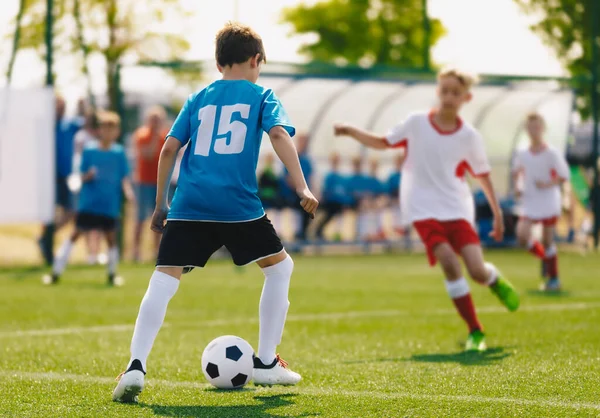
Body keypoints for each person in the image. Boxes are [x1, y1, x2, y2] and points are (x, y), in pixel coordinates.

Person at [112, 22, 318, 403]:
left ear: (219, 61)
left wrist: (161, 204)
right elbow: (277, 135)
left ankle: (135, 366)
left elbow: (169, 149)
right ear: (256, 60)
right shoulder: (262, 95)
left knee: (164, 278)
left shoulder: (199, 98)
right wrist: (302, 185)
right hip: (237, 205)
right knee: (279, 268)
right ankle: (268, 363)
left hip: (190, 203)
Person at [334, 67, 520, 352]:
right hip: (422, 209)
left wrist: (496, 214)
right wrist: (350, 131)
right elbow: (383, 142)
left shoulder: (469, 137)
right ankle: (476, 331)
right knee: (448, 261)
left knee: (476, 270)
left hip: (457, 209)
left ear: (466, 98)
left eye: (455, 93)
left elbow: (483, 176)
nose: (449, 96)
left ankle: (493, 279)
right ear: (438, 91)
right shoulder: (417, 123)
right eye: (444, 90)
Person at [43, 111, 134, 286]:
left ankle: (112, 275)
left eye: (112, 128)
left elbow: (124, 178)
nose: (108, 132)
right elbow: (79, 176)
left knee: (111, 239)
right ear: (99, 130)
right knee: (75, 235)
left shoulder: (119, 153)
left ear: (117, 131)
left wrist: (128, 192)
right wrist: (87, 176)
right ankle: (55, 273)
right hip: (89, 203)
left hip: (109, 205)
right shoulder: (89, 150)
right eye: (105, 128)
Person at [513, 112, 570, 291]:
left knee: (547, 240)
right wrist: (517, 187)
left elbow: (564, 176)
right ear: (526, 129)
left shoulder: (552, 153)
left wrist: (547, 184)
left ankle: (554, 280)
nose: (534, 130)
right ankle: (545, 259)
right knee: (522, 236)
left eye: (537, 126)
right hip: (530, 201)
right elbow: (516, 172)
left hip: (548, 201)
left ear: (543, 128)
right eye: (530, 127)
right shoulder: (522, 152)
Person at [38, 95, 83, 265]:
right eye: (58, 106)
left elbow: (87, 121)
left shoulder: (69, 125)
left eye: (63, 106)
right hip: (47, 176)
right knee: (48, 214)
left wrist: (82, 106)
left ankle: (44, 238)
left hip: (64, 176)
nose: (60, 110)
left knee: (71, 212)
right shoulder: (45, 125)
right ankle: (46, 246)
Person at [132, 106, 169, 262]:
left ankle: (156, 252)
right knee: (140, 218)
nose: (155, 123)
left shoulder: (166, 136)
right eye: (153, 119)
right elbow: (148, 155)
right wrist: (154, 136)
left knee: (159, 218)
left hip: (160, 183)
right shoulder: (141, 135)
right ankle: (135, 252)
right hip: (144, 182)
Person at [73, 110, 105, 265]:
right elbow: (79, 159)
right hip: (85, 181)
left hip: (99, 182)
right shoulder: (82, 137)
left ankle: (96, 252)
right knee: (85, 220)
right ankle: (90, 252)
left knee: (99, 219)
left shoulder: (99, 139)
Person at [280, 133, 313, 240]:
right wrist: (301, 189)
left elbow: (311, 178)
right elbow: (288, 178)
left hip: (304, 193)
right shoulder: (291, 156)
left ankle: (303, 234)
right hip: (293, 194)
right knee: (301, 207)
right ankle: (298, 234)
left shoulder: (307, 161)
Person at [314, 153, 351, 240]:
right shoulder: (328, 176)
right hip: (329, 202)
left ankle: (336, 233)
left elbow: (345, 192)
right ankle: (319, 231)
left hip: (339, 204)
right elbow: (325, 190)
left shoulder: (341, 176)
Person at [258, 153, 283, 231]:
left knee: (275, 214)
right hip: (267, 196)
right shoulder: (267, 172)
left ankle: (276, 230)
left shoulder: (273, 172)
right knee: (268, 214)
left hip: (271, 196)